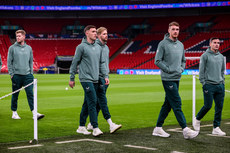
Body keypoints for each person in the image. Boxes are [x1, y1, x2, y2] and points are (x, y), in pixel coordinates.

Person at [152, 21, 198, 139]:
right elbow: (157, 60)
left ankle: (158, 128)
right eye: (173, 29)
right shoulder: (162, 44)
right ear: (169, 30)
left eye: (177, 29)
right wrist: (168, 70)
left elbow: (184, 60)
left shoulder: (181, 45)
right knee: (177, 102)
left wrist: (181, 68)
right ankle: (185, 130)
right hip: (167, 79)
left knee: (168, 104)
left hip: (177, 77)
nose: (175, 31)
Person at [69, 25, 108, 137]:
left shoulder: (98, 47)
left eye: (96, 32)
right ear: (87, 33)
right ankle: (95, 128)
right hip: (85, 79)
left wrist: (105, 75)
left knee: (87, 103)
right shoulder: (81, 47)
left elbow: (102, 63)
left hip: (96, 79)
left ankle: (81, 126)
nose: (96, 33)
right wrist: (72, 78)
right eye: (93, 32)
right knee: (93, 101)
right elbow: (74, 63)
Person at [86, 27, 122, 133]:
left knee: (97, 103)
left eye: (107, 34)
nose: (107, 36)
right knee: (102, 101)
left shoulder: (106, 48)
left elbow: (104, 63)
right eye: (104, 34)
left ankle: (90, 124)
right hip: (97, 78)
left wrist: (106, 75)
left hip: (104, 77)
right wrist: (103, 76)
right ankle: (110, 124)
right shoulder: (95, 47)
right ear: (98, 35)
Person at [7, 29, 44, 120]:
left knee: (30, 94)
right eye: (17, 36)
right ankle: (14, 112)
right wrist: (12, 74)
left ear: (24, 36)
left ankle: (34, 113)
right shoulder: (12, 48)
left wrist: (31, 73)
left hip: (28, 75)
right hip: (16, 76)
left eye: (19, 36)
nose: (18, 38)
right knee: (15, 95)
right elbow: (9, 62)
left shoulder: (29, 48)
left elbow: (31, 61)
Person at [193, 37, 226, 136]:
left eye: (218, 43)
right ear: (210, 44)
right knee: (208, 106)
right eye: (215, 42)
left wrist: (222, 82)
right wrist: (204, 83)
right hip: (209, 85)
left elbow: (222, 71)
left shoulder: (221, 56)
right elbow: (201, 71)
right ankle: (197, 119)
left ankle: (216, 127)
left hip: (220, 85)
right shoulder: (205, 56)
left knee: (219, 108)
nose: (217, 44)